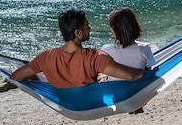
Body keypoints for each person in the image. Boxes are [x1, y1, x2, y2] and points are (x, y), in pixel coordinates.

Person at [10, 9, 144, 87]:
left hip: (65, 104)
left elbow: (16, 76)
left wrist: (38, 82)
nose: (90, 28)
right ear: (78, 33)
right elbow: (131, 76)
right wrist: (148, 74)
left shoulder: (46, 57)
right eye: (87, 26)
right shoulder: (94, 57)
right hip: (90, 105)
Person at [101, 7, 157, 81]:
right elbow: (151, 70)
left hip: (115, 87)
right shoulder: (144, 48)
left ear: (114, 30)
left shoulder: (105, 50)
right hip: (140, 86)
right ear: (135, 26)